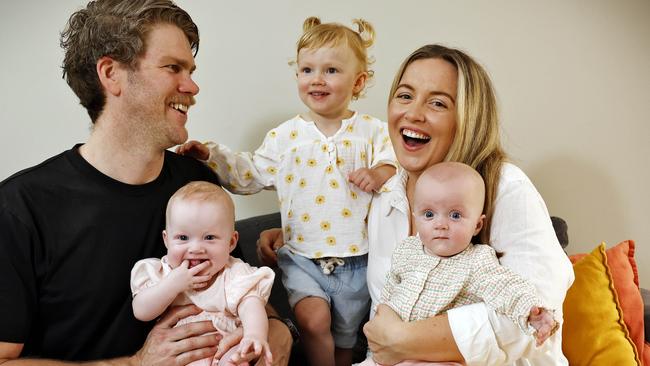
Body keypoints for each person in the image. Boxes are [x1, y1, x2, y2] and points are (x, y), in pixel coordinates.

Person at [0, 1, 291, 365]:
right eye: (173, 68)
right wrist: (135, 364)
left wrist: (280, 333)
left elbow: (237, 285)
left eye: (190, 70)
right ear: (111, 74)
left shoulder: (196, 181)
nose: (192, 86)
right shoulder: (20, 208)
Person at [258, 44, 574, 365]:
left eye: (437, 103)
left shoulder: (505, 185)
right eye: (405, 96)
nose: (413, 113)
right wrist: (297, 233)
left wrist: (403, 339)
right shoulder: (385, 189)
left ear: (468, 117)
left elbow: (537, 320)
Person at [177, 16, 396, 366]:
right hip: (301, 258)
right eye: (307, 70)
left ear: (358, 82)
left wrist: (379, 172)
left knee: (346, 335)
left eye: (331, 71)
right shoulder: (286, 137)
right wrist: (212, 157)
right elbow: (248, 174)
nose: (317, 79)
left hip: (358, 258)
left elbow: (394, 163)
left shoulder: (371, 132)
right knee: (314, 320)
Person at [358, 162, 558, 366]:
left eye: (455, 215)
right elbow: (391, 288)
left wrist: (532, 312)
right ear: (416, 218)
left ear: (477, 225)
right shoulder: (407, 250)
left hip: (440, 357)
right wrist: (382, 320)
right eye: (429, 214)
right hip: (394, 353)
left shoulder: (477, 260)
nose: (441, 224)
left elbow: (506, 287)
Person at [131, 181, 275, 365]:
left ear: (231, 242)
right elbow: (142, 311)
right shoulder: (162, 273)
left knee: (236, 358)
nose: (196, 248)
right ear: (166, 240)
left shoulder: (233, 274)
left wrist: (255, 335)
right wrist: (172, 285)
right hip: (178, 355)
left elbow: (251, 306)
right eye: (183, 238)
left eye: (209, 238)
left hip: (223, 349)